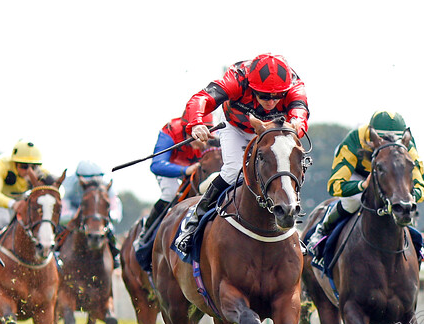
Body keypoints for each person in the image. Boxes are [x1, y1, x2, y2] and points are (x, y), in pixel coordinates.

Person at [174, 53, 309, 255]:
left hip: (273, 128)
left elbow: (300, 112)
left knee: (284, 166)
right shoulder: (236, 78)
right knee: (233, 170)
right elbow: (201, 99)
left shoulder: (295, 84)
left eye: (277, 96)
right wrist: (196, 122)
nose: (271, 102)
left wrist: (297, 123)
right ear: (251, 87)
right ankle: (196, 218)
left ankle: (292, 227)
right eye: (264, 96)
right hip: (236, 128)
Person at [305, 110, 424, 253]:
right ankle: (322, 229)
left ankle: (417, 245)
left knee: (402, 206)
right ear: (372, 134)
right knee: (352, 202)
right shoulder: (355, 139)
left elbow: (421, 188)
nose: (391, 145)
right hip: (358, 174)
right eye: (383, 139)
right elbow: (335, 185)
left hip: (389, 177)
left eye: (395, 140)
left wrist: (408, 198)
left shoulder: (408, 145)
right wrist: (362, 185)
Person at [135, 113, 215, 247]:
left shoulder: (215, 133)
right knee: (170, 193)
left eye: (206, 131)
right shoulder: (170, 131)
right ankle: (146, 233)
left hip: (197, 170)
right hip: (171, 169)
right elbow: (156, 165)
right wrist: (184, 170)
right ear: (187, 129)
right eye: (196, 133)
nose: (202, 139)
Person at [0, 140, 57, 255]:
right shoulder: (0, 164)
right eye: (24, 166)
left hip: (18, 194)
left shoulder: (42, 173)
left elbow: (59, 192)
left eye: (33, 167)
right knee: (1, 219)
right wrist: (13, 204)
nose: (29, 171)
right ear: (14, 163)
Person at [60, 160, 124, 267]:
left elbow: (116, 208)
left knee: (109, 229)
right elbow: (62, 213)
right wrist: (75, 215)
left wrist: (110, 215)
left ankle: (114, 254)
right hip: (75, 215)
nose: (93, 182)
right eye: (88, 178)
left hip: (97, 217)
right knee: (60, 229)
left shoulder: (107, 184)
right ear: (78, 177)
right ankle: (56, 252)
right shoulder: (68, 184)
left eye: (96, 178)